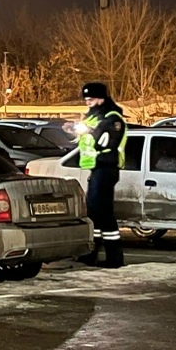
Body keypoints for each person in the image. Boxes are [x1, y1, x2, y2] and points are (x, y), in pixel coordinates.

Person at [73, 82, 128, 268]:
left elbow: (105, 141)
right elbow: (84, 140)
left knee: (104, 212)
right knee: (93, 212)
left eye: (91, 98)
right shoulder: (94, 117)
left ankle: (114, 258)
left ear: (102, 98)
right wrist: (73, 131)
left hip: (106, 168)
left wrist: (89, 131)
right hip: (96, 169)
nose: (88, 102)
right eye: (86, 99)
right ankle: (91, 253)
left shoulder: (113, 119)